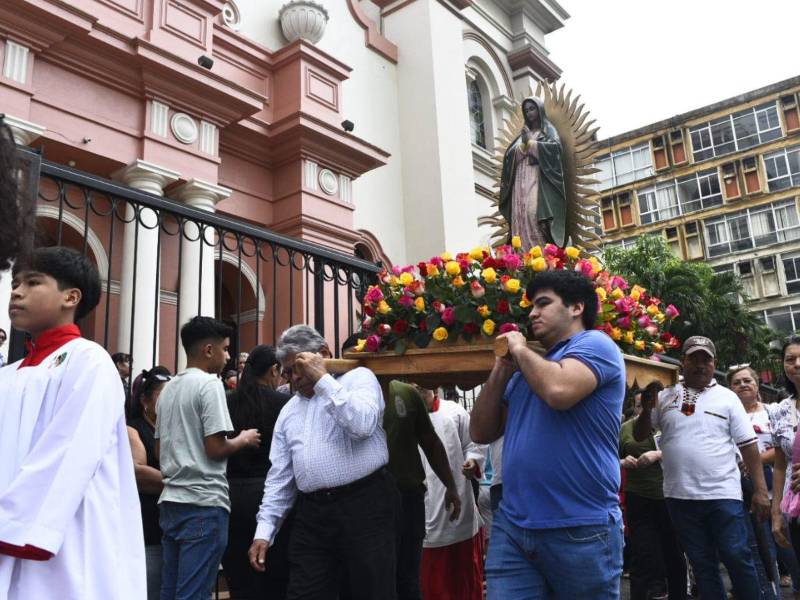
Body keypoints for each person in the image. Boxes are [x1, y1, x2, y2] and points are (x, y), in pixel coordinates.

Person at [0, 246, 145, 598]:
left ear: (71, 296)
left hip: (67, 530)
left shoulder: (89, 360)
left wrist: (10, 520)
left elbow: (72, 448)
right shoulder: (9, 375)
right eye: (15, 282)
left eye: (32, 282)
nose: (16, 291)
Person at [471, 269, 626, 599]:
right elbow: (481, 430)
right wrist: (501, 367)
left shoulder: (596, 344)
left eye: (543, 303)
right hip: (514, 526)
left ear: (576, 307)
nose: (531, 313)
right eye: (531, 306)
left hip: (580, 527)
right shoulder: (529, 367)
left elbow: (558, 390)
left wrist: (520, 349)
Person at [248, 324, 398, 600]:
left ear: (324, 354)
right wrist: (264, 530)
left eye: (298, 368)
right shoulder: (289, 410)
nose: (293, 379)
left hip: (365, 505)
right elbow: (280, 477)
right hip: (313, 514)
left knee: (372, 591)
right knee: (305, 591)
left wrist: (321, 378)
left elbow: (362, 425)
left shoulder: (359, 379)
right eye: (287, 372)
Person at [634, 336, 770, 600]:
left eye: (706, 359)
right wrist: (647, 407)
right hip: (679, 498)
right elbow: (641, 434)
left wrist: (760, 491)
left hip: (723, 495)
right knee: (702, 564)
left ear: (714, 363)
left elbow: (749, 446)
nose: (700, 364)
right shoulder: (664, 395)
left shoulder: (728, 398)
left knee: (737, 557)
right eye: (693, 358)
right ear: (682, 361)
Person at [156, 316, 261, 600]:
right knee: (193, 593)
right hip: (203, 502)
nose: (228, 356)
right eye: (225, 349)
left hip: (171, 502)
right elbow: (215, 448)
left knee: (171, 590)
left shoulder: (168, 390)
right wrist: (243, 439)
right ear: (208, 350)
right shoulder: (210, 384)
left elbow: (159, 450)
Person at [222, 345, 292, 600]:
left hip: (230, 495)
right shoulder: (284, 403)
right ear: (274, 370)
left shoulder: (227, 402)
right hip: (270, 495)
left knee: (239, 578)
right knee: (275, 575)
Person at [382, 379, 461, 600]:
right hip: (368, 503)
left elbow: (431, 442)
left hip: (408, 499)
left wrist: (451, 486)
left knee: (407, 577)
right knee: (379, 578)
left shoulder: (406, 393)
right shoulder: (346, 395)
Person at [731, 364, 800, 599]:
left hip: (779, 489)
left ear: (757, 384)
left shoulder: (773, 411)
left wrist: (753, 460)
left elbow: (783, 450)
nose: (742, 385)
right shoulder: (728, 414)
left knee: (788, 548)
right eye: (736, 382)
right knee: (760, 549)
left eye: (747, 380)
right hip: (744, 491)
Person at [418, 386, 486, 600]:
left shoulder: (454, 412)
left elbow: (474, 443)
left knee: (462, 583)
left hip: (458, 508)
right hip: (422, 507)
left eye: (424, 389)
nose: (420, 393)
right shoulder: (402, 416)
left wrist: (472, 460)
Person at [619, 392, 687, 600]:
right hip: (638, 496)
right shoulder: (626, 428)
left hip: (670, 495)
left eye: (651, 406)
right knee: (642, 553)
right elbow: (611, 455)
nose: (645, 410)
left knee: (674, 553)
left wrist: (658, 454)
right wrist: (623, 462)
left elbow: (689, 449)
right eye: (640, 406)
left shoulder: (671, 424)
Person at [497, 97, 566, 249]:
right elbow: (510, 156)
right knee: (519, 215)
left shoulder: (548, 131)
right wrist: (522, 146)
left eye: (532, 109)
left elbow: (555, 150)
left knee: (532, 212)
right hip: (520, 181)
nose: (529, 113)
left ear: (539, 109)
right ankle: (522, 257)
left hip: (538, 179)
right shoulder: (523, 134)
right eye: (526, 110)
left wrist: (531, 143)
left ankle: (539, 253)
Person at [127, 366, 172, 600]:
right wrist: (183, 484)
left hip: (173, 524)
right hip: (149, 526)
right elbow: (137, 472)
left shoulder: (173, 428)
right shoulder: (133, 428)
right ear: (145, 400)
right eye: (163, 395)